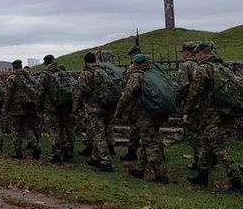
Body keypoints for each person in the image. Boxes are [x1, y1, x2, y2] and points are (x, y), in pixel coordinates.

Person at [183, 42, 242, 192]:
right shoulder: (222, 66)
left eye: (196, 54)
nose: (195, 57)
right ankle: (202, 176)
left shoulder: (203, 68)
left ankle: (237, 181)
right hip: (227, 109)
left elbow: (194, 92)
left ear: (201, 53)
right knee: (207, 142)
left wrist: (186, 111)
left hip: (213, 112)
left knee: (218, 146)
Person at [114, 54, 168, 183]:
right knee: (148, 140)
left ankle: (161, 175)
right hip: (158, 111)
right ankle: (139, 170)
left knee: (150, 143)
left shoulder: (138, 75)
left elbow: (127, 95)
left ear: (136, 64)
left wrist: (118, 111)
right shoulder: (156, 73)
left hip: (145, 114)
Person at [72, 52, 114, 172]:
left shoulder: (86, 74)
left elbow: (79, 93)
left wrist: (75, 109)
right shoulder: (104, 71)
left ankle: (106, 162)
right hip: (107, 106)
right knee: (100, 133)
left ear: (85, 61)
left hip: (95, 108)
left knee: (98, 134)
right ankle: (95, 158)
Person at [37, 54, 74, 163]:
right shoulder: (63, 73)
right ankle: (67, 152)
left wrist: (39, 108)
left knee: (53, 132)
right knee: (62, 131)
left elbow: (40, 93)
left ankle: (56, 155)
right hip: (64, 107)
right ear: (54, 61)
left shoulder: (45, 75)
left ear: (45, 63)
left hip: (50, 108)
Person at [4, 59, 41, 159]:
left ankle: (18, 151)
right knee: (27, 128)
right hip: (29, 106)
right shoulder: (29, 76)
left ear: (13, 67)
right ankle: (35, 146)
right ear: (21, 66)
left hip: (15, 108)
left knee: (15, 129)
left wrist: (6, 107)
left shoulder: (12, 78)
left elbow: (8, 95)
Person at [175, 42, 200, 169]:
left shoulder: (187, 66)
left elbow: (182, 86)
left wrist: (176, 102)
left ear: (186, 52)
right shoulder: (202, 63)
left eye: (183, 52)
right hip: (206, 105)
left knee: (194, 135)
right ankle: (207, 159)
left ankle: (200, 161)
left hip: (193, 105)